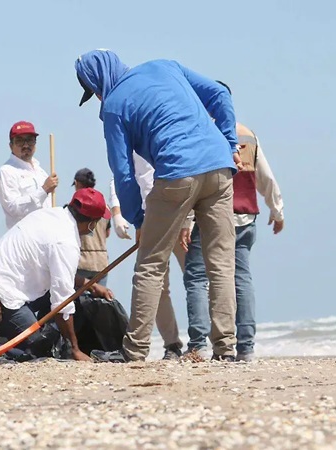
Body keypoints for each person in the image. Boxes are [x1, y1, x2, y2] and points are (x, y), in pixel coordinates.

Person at [76, 49, 240, 362]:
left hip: (177, 174)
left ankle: (135, 350)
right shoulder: (166, 66)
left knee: (151, 265)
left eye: (94, 90)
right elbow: (219, 93)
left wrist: (139, 219)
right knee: (220, 264)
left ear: (99, 83)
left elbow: (123, 172)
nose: (97, 97)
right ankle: (226, 350)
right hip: (220, 167)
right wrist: (230, 143)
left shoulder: (114, 106)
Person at [0, 188, 112, 367]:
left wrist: (89, 285)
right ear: (92, 224)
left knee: (66, 305)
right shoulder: (65, 241)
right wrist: (75, 350)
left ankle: (24, 335)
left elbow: (57, 275)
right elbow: (62, 302)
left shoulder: (50, 215)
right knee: (41, 350)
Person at [181, 119, 285, 362]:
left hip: (210, 216)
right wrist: (277, 209)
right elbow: (265, 176)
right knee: (241, 278)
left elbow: (194, 179)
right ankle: (246, 347)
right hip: (245, 216)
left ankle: (198, 344)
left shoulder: (202, 130)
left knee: (197, 277)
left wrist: (186, 219)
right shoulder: (248, 134)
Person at [109, 163, 186, 361]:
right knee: (157, 287)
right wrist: (118, 213)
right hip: (149, 219)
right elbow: (121, 177)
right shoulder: (131, 137)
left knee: (197, 281)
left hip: (182, 213)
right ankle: (172, 344)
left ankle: (205, 342)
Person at [0, 121, 59, 229]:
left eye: (30, 140)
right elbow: (14, 208)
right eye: (20, 141)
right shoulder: (6, 172)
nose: (26, 145)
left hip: (47, 234)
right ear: (11, 146)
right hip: (25, 238)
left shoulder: (40, 171)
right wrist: (44, 190)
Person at [72, 169, 112, 286]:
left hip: (81, 261)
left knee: (77, 302)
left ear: (77, 183)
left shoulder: (74, 206)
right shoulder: (105, 207)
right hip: (101, 262)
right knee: (99, 302)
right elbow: (107, 233)